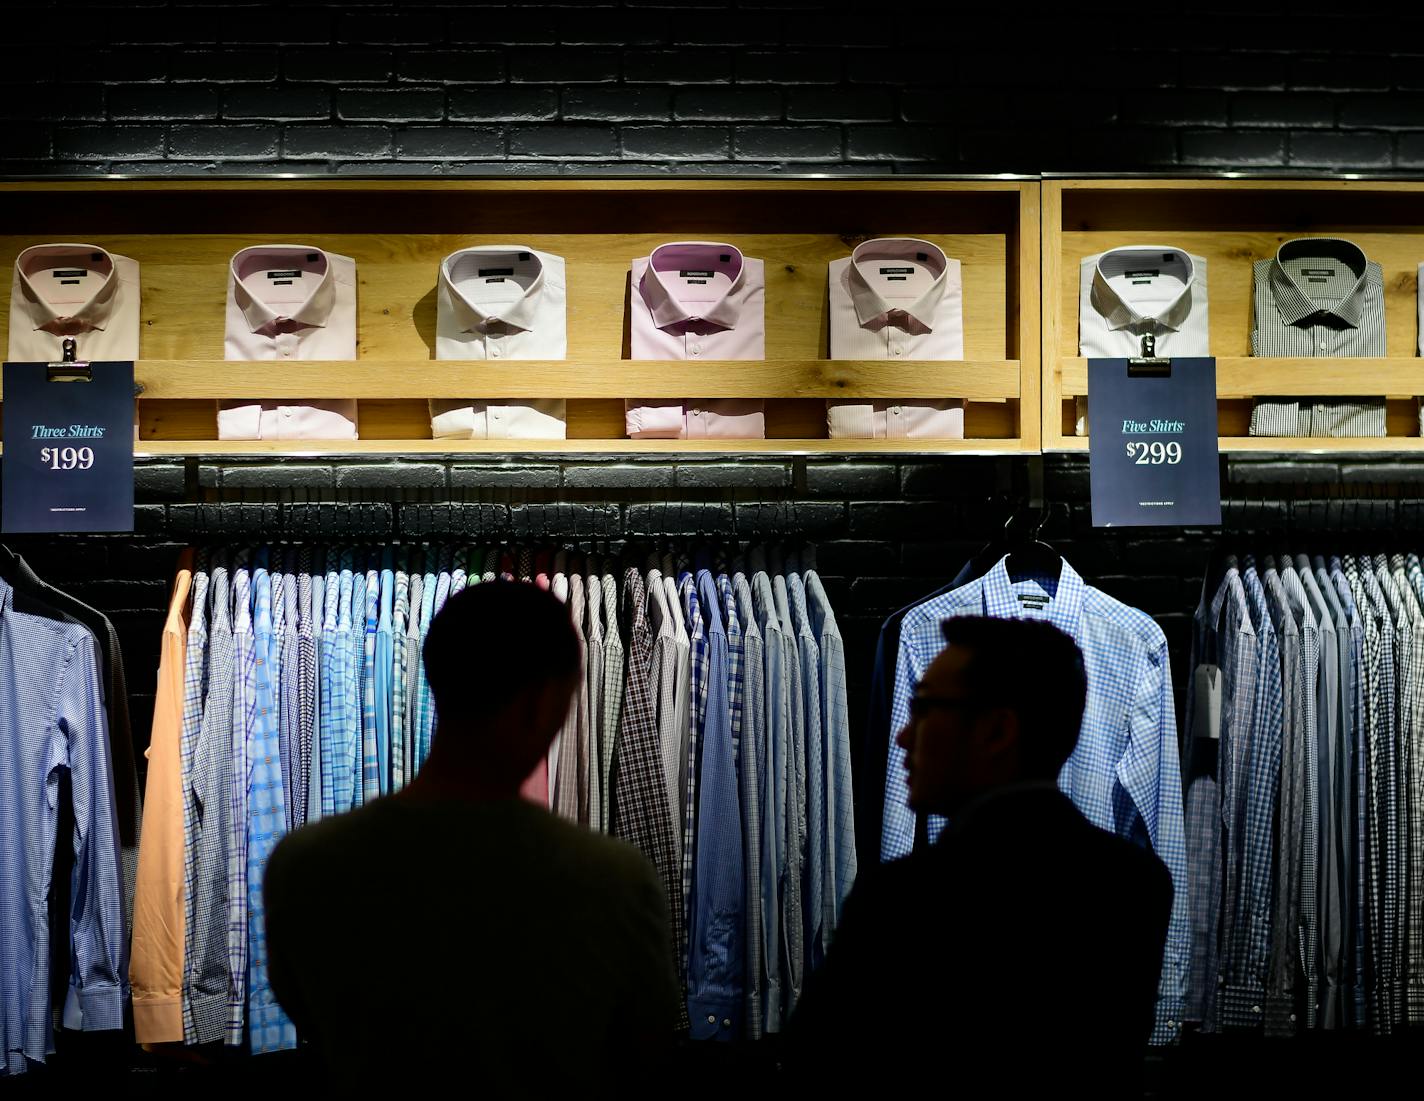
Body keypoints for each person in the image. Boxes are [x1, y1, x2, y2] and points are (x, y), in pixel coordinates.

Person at [264, 581, 681, 1088]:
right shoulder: (614, 883)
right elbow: (647, 1058)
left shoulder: (303, 868)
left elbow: (311, 1019)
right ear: (539, 704)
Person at [785, 616, 1172, 1096]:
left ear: (997, 731)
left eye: (925, 709)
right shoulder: (1135, 884)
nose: (904, 736)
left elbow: (817, 1070)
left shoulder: (904, 900)